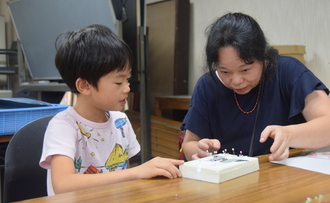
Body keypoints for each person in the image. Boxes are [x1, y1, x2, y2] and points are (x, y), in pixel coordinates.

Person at [40, 24, 183, 195]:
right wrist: (136, 173)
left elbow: (124, 182)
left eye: (127, 80)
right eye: (118, 82)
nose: (127, 88)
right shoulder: (63, 126)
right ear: (84, 85)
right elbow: (63, 184)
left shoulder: (120, 121)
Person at [181, 12, 330, 162]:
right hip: (229, 180)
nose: (237, 81)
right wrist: (199, 151)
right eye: (225, 71)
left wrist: (289, 134)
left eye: (245, 70)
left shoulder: (287, 71)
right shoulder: (208, 85)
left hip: (283, 176)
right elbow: (189, 144)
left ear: (263, 56)